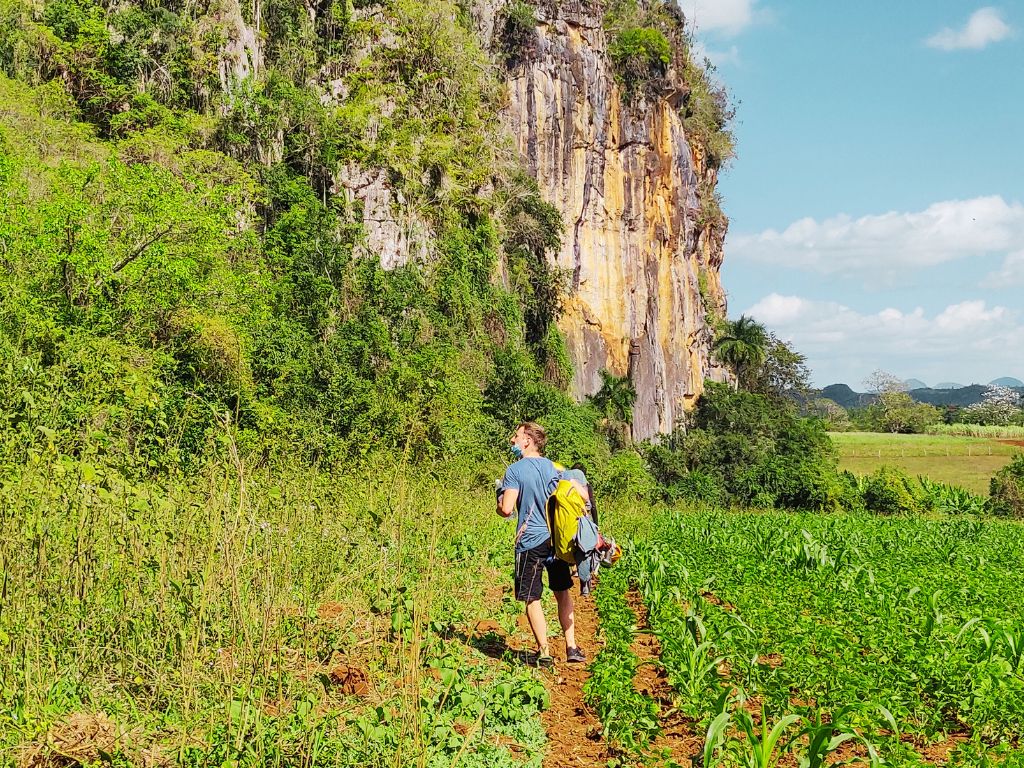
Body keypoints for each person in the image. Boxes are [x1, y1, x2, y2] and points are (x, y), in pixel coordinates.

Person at [496, 422, 586, 666]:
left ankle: (544, 651)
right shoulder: (555, 468)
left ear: (527, 440)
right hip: (556, 540)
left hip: (529, 542)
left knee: (532, 597)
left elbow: (506, 510)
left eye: (516, 437)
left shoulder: (514, 471)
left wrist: (499, 496)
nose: (512, 441)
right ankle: (572, 647)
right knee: (562, 591)